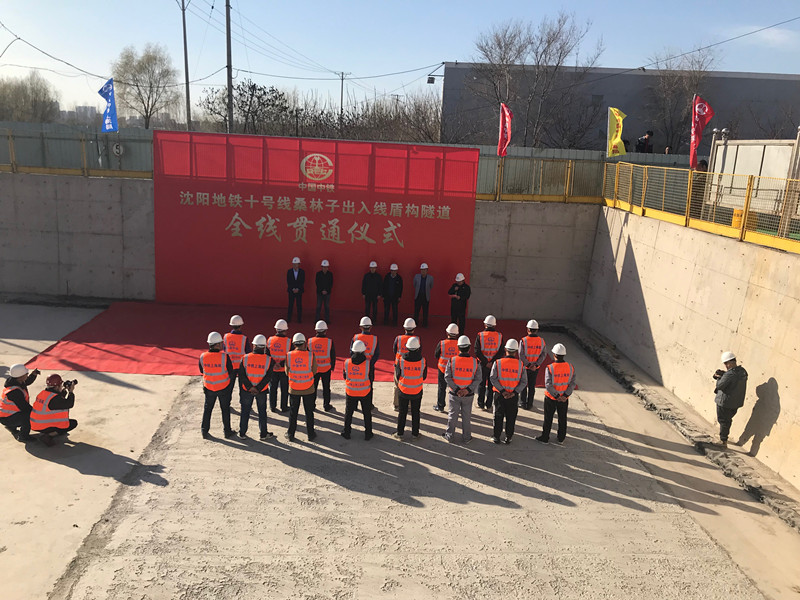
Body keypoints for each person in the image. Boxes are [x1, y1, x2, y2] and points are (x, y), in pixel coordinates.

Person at [442, 336, 481, 444]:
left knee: (452, 415)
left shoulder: (452, 360)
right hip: (468, 395)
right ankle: (467, 437)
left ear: (458, 347)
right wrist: (467, 390)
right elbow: (478, 378)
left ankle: (449, 436)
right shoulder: (475, 362)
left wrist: (457, 390)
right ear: (469, 348)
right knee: (466, 417)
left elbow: (447, 377)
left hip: (454, 394)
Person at [536, 343, 576, 444]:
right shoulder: (570, 367)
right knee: (562, 418)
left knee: (548, 418)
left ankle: (545, 437)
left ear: (554, 355)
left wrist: (557, 396)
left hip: (551, 398)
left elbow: (548, 384)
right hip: (564, 399)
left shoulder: (550, 368)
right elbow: (572, 383)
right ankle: (561, 438)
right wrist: (565, 396)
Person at [199, 331, 236, 439]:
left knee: (208, 410)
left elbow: (201, 370)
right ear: (218, 344)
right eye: (221, 343)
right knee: (225, 410)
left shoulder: (203, 356)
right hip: (223, 388)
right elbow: (230, 371)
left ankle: (204, 431)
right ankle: (227, 431)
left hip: (209, 388)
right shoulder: (225, 357)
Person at [489, 339, 527, 444]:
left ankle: (496, 436)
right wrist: (514, 392)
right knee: (511, 416)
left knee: (498, 415)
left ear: (505, 349)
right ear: (516, 351)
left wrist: (502, 391)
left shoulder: (498, 363)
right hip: (513, 396)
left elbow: (493, 378)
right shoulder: (520, 365)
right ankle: (508, 437)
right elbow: (524, 382)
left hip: (499, 395)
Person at [237, 334, 274, 440]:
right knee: (262, 412)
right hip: (261, 391)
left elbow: (241, 375)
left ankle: (242, 433)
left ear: (254, 346)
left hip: (246, 390)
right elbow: (268, 377)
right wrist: (258, 388)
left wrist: (250, 387)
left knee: (245, 411)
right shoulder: (269, 360)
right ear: (264, 347)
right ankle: (263, 434)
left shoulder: (245, 358)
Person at [285, 333, 318, 442]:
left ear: (294, 344)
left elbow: (287, 372)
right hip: (308, 388)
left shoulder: (289, 355)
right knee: (309, 412)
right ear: (305, 343)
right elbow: (314, 370)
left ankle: (291, 434)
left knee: (293, 412)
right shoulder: (311, 355)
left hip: (294, 388)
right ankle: (311, 434)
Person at [30, 374, 78, 446]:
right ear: (57, 386)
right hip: (44, 426)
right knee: (71, 423)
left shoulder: (43, 393)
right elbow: (69, 404)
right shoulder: (55, 399)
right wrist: (71, 392)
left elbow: (58, 399)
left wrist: (64, 390)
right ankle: (49, 435)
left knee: (64, 423)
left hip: (35, 424)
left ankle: (48, 431)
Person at [713, 351, 748, 447]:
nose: (726, 366)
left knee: (723, 420)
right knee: (727, 420)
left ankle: (723, 441)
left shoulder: (730, 374)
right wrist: (724, 375)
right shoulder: (743, 372)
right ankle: (724, 436)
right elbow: (734, 381)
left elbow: (720, 386)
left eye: (726, 363)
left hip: (724, 402)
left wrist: (719, 377)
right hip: (735, 402)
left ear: (730, 362)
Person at [394, 336, 426, 441]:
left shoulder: (401, 360)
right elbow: (424, 376)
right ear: (418, 348)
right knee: (415, 412)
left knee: (402, 412)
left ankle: (400, 434)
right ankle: (415, 434)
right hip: (417, 391)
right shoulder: (423, 361)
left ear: (407, 348)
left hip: (403, 390)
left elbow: (398, 375)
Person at [341, 340, 374, 441]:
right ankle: (368, 433)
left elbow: (344, 376)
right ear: (363, 351)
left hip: (351, 391)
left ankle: (346, 432)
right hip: (365, 392)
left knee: (348, 413)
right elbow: (371, 377)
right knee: (367, 413)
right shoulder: (368, 363)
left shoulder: (347, 362)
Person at [1, 363, 40, 442]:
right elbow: (25, 407)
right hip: (6, 418)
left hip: (7, 415)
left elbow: (27, 381)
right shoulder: (14, 392)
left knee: (27, 414)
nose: (27, 374)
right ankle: (23, 436)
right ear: (21, 376)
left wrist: (33, 375)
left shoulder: (14, 381)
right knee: (28, 416)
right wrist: (38, 414)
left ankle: (11, 427)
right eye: (26, 374)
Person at [475, 315, 503, 411]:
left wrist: (485, 362)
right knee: (491, 385)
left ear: (485, 324)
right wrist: (492, 362)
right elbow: (501, 351)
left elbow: (477, 351)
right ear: (494, 325)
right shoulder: (499, 336)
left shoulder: (480, 335)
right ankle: (489, 404)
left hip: (483, 365)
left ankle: (480, 403)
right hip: (494, 365)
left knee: (481, 384)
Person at [519, 319, 547, 410]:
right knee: (532, 386)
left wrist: (528, 365)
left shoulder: (523, 340)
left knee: (523, 385)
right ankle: (530, 404)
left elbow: (521, 354)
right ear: (537, 330)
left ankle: (523, 403)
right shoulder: (541, 341)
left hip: (525, 368)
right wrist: (536, 365)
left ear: (528, 329)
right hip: (535, 368)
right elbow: (543, 354)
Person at [310, 320, 336, 412]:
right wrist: (332, 366)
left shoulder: (310, 341)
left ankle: (312, 405)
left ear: (316, 330)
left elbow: (307, 355)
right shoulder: (329, 342)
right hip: (326, 368)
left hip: (314, 369)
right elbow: (332, 355)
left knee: (313, 388)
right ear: (325, 331)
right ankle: (326, 405)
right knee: (326, 388)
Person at [433, 323, 460, 412]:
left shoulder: (442, 343)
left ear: (447, 333)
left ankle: (440, 406)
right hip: (455, 370)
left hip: (443, 369)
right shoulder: (459, 344)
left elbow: (436, 355)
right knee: (455, 388)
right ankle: (455, 407)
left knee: (442, 387)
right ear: (457, 334)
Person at [392, 317, 417, 411]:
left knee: (397, 385)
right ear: (414, 328)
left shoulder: (398, 338)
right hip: (412, 365)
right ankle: (409, 405)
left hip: (398, 364)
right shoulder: (417, 339)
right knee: (410, 384)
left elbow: (394, 350)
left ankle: (396, 404)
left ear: (404, 328)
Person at [268, 319, 291, 412]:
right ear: (285, 330)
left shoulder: (270, 340)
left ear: (276, 329)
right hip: (284, 370)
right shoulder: (289, 341)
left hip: (273, 369)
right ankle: (284, 406)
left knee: (273, 388)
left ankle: (272, 406)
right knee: (284, 389)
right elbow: (291, 355)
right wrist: (281, 364)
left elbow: (267, 355)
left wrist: (274, 363)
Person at [351, 316, 380, 383]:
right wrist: (370, 364)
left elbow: (351, 351)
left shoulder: (356, 337)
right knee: (369, 384)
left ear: (360, 327)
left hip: (357, 365)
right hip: (369, 366)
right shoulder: (374, 339)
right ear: (371, 327)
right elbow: (376, 354)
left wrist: (356, 361)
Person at [224, 314, 249, 389]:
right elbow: (248, 352)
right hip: (241, 366)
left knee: (229, 387)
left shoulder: (226, 337)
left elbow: (224, 350)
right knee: (243, 387)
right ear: (241, 326)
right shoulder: (244, 338)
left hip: (229, 365)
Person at [413, 262, 434, 328]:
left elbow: (431, 286)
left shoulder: (430, 278)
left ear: (427, 270)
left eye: (424, 270)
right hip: (418, 296)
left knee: (425, 311)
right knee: (416, 310)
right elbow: (414, 284)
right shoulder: (416, 277)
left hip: (425, 296)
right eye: (422, 270)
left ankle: (425, 323)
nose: (423, 271)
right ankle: (415, 323)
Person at [286, 256, 305, 323]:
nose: (295, 266)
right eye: (293, 264)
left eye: (296, 264)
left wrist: (298, 289)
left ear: (299, 264)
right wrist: (293, 289)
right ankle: (289, 318)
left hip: (299, 291)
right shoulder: (289, 272)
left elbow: (302, 281)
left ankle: (299, 319)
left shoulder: (302, 272)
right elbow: (288, 281)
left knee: (299, 305)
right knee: (290, 305)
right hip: (291, 291)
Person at [315, 259, 333, 324]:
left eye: (326, 267)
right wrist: (322, 290)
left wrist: (326, 290)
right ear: (322, 267)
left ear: (328, 267)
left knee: (327, 306)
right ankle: (317, 319)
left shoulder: (330, 274)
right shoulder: (318, 274)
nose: (325, 268)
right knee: (318, 306)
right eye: (323, 267)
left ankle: (327, 319)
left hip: (327, 293)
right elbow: (317, 283)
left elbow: (331, 283)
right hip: (320, 293)